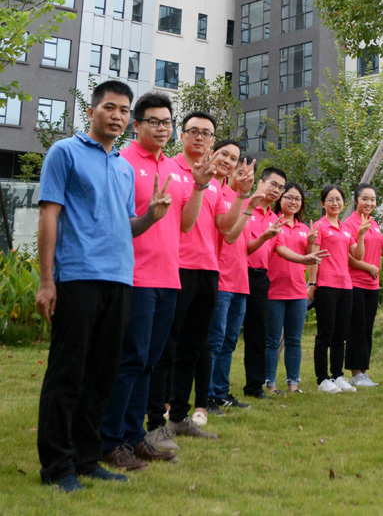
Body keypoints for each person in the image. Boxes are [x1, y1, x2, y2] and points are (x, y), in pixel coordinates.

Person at [36, 81, 172, 492]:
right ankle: (58, 466)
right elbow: (49, 217)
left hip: (120, 280)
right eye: (109, 107)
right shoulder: (65, 153)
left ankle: (87, 456)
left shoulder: (124, 168)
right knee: (67, 374)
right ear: (92, 111)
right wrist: (46, 281)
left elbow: (124, 226)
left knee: (102, 375)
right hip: (78, 278)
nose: (116, 115)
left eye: (123, 110)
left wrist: (151, 216)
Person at [100, 93, 205, 471]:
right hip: (135, 278)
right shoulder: (124, 162)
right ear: (136, 124)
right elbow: (115, 224)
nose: (162, 128)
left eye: (167, 122)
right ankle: (110, 441)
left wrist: (198, 187)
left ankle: (134, 436)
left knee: (151, 362)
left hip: (168, 278)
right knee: (130, 360)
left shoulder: (174, 169)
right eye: (154, 121)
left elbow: (185, 224)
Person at [146, 111, 250, 442]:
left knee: (192, 346)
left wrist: (244, 196)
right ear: (182, 135)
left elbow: (226, 229)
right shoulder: (169, 169)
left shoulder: (216, 183)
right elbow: (178, 223)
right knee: (167, 348)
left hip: (209, 270)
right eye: (194, 131)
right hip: (175, 267)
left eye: (207, 133)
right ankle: (154, 422)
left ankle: (179, 417)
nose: (201, 137)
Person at [207, 141, 276, 414]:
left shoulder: (245, 202)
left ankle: (220, 392)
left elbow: (243, 245)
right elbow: (227, 234)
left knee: (229, 341)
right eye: (238, 172)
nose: (242, 178)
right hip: (221, 280)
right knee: (215, 339)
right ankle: (208, 395)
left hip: (241, 281)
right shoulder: (217, 194)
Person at [265, 182, 328, 392]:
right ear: (279, 200)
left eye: (297, 199)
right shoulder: (272, 223)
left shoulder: (304, 229)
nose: (293, 202)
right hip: (273, 289)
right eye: (289, 197)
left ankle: (293, 384)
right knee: (273, 340)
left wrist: (310, 242)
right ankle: (270, 384)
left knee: (294, 339)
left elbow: (309, 257)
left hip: (298, 291)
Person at [307, 184, 368, 393]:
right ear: (323, 204)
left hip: (345, 287)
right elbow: (314, 259)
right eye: (330, 200)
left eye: (338, 199)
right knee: (325, 333)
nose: (335, 203)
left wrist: (360, 236)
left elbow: (358, 256)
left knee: (341, 334)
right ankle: (323, 378)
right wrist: (312, 284)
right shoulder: (319, 226)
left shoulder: (344, 228)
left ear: (344, 203)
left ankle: (338, 375)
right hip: (326, 286)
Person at [343, 183, 383, 387]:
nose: (369, 203)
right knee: (356, 328)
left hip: (372, 285)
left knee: (367, 328)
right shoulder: (349, 225)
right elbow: (348, 258)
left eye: (373, 199)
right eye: (365, 199)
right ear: (356, 200)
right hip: (355, 283)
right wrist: (368, 268)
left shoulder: (374, 224)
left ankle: (364, 372)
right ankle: (355, 373)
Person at [242, 166, 288, 399]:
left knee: (258, 334)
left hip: (261, 278)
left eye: (281, 188)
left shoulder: (274, 218)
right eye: (273, 184)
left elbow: (280, 249)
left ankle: (254, 386)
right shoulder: (244, 206)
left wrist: (305, 259)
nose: (277, 190)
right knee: (223, 335)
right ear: (260, 183)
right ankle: (211, 389)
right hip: (238, 274)